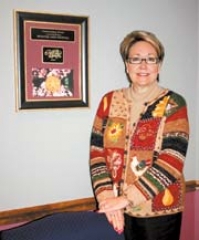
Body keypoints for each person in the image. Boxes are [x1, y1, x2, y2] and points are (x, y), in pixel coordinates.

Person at [89, 30, 189, 240]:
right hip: (114, 207)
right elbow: (97, 152)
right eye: (136, 59)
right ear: (127, 65)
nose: (143, 66)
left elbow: (172, 160)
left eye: (150, 59)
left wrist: (126, 199)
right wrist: (107, 197)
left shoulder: (173, 103)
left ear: (159, 66)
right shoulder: (109, 101)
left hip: (159, 211)